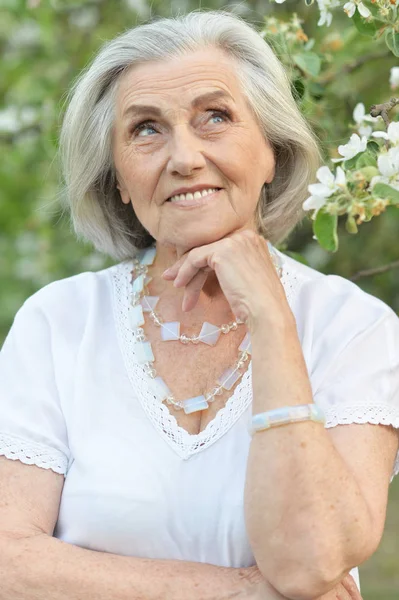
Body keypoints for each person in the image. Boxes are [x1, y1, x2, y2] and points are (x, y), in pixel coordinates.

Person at [0, 9, 398, 600]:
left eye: (215, 117)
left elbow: (310, 562)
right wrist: (239, 592)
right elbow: (10, 562)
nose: (183, 157)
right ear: (117, 178)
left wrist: (269, 314)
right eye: (146, 129)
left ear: (271, 151)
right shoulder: (58, 322)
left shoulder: (355, 327)